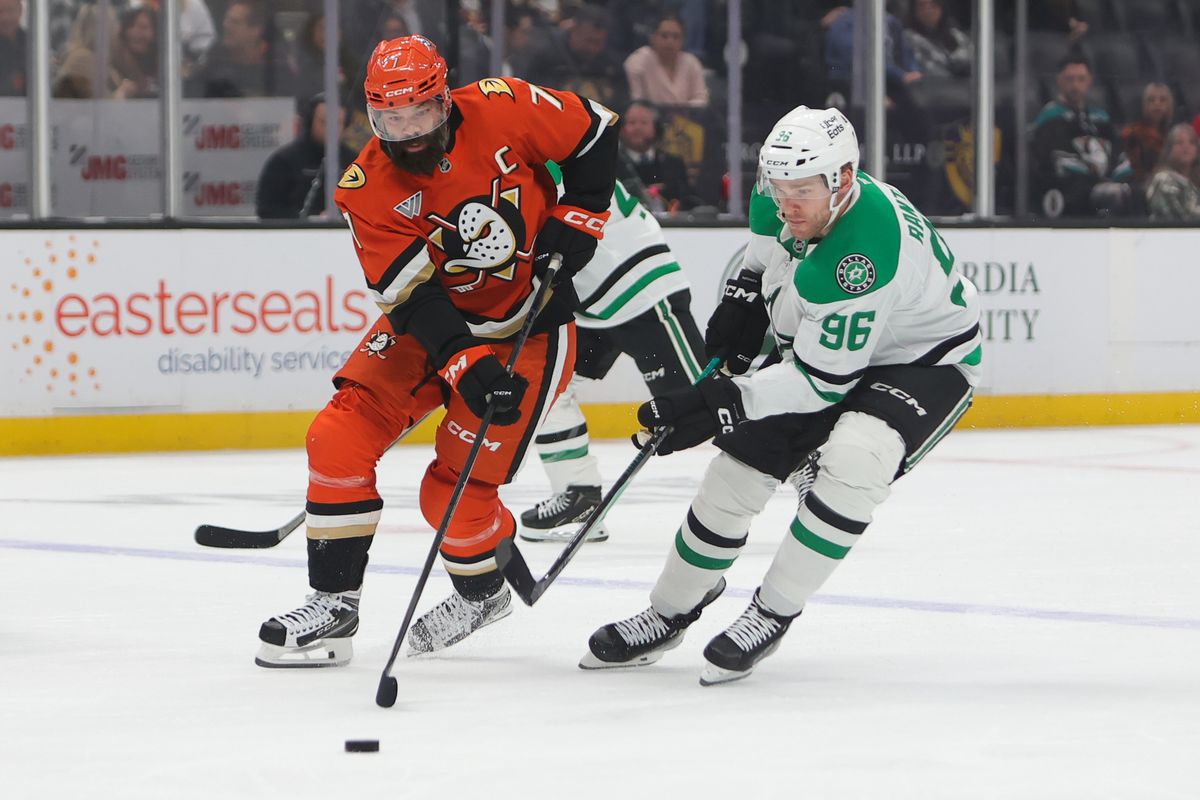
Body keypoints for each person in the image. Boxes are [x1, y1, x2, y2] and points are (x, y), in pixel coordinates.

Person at [581, 105, 982, 685]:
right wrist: (742, 300)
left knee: (855, 461)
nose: (787, 205)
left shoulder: (857, 258)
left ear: (843, 180)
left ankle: (772, 611)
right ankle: (668, 612)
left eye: (802, 192)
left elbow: (821, 383)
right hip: (835, 348)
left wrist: (719, 402)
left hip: (924, 363)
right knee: (733, 476)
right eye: (779, 188)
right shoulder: (786, 196)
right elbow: (764, 260)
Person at [255, 35, 619, 667]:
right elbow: (415, 299)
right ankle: (333, 606)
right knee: (336, 437)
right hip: (431, 327)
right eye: (389, 120)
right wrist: (464, 361)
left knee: (451, 496)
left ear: (444, 101)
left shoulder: (503, 106)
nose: (407, 134)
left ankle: (482, 593)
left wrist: (582, 213)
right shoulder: (365, 187)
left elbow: (596, 129)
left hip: (529, 329)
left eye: (419, 115)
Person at [519, 166, 704, 543]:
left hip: (639, 288)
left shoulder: (533, 156)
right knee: (543, 385)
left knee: (707, 404)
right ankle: (579, 497)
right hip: (593, 304)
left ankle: (801, 458)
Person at [1030, 55, 1131, 218]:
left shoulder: (1101, 118)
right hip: (1073, 197)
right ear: (1059, 80)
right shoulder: (1050, 118)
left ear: (1089, 81)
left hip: (1107, 189)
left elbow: (1118, 154)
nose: (1075, 85)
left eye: (1081, 79)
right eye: (1070, 79)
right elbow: (1055, 163)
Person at [255, 93, 356, 220]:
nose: (331, 128)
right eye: (324, 122)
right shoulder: (284, 161)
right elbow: (267, 209)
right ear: (310, 122)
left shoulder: (354, 162)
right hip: (296, 230)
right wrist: (310, 220)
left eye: (338, 123)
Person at [527, 4, 628, 112]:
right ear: (574, 30)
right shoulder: (547, 58)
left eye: (598, 42)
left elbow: (622, 100)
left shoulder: (611, 64)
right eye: (588, 40)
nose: (592, 48)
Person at [192, 0, 298, 98]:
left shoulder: (276, 61)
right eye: (227, 19)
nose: (226, 25)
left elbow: (289, 101)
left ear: (256, 30)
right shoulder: (217, 56)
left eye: (235, 22)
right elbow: (196, 93)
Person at [618, 100, 699, 212]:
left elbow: (688, 202)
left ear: (656, 128)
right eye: (632, 122)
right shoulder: (612, 164)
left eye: (644, 123)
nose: (638, 127)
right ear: (622, 129)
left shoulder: (674, 164)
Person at [623, 12, 709, 109]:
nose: (670, 41)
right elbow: (636, 102)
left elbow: (701, 99)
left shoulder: (691, 62)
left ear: (683, 41)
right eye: (664, 36)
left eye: (676, 37)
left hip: (687, 117)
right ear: (653, 38)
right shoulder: (638, 62)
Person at [1121, 82, 1174, 192]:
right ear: (1143, 104)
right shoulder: (1132, 133)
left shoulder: (1173, 135)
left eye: (1162, 100)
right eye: (1151, 100)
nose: (1157, 104)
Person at [1146, 123, 1200, 221]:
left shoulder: (1195, 182)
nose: (1186, 146)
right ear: (1169, 149)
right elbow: (1180, 216)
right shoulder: (1163, 179)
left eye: (1191, 142)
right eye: (1179, 142)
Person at [904, 0, 971, 78]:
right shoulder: (908, 39)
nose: (928, 10)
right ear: (914, 11)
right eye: (921, 6)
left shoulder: (957, 35)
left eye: (933, 5)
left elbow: (976, 63)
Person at [110, 5, 159, 99]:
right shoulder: (113, 68)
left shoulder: (165, 66)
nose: (134, 32)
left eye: (142, 27)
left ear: (155, 32)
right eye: (130, 26)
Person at [0, 0, 26, 97]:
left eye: (10, 10)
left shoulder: (33, 44)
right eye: (0, 12)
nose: (5, 17)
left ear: (20, 10)